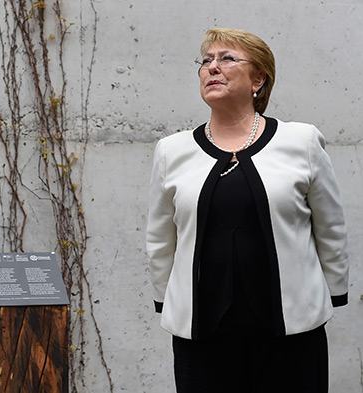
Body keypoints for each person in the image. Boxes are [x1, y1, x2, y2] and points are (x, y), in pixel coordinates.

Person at [146, 28, 348, 393]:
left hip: (290, 331)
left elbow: (330, 225)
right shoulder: (171, 151)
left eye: (226, 59)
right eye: (206, 61)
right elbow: (160, 237)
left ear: (259, 78)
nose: (212, 68)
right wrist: (168, 298)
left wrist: (334, 291)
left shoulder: (300, 141)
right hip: (203, 335)